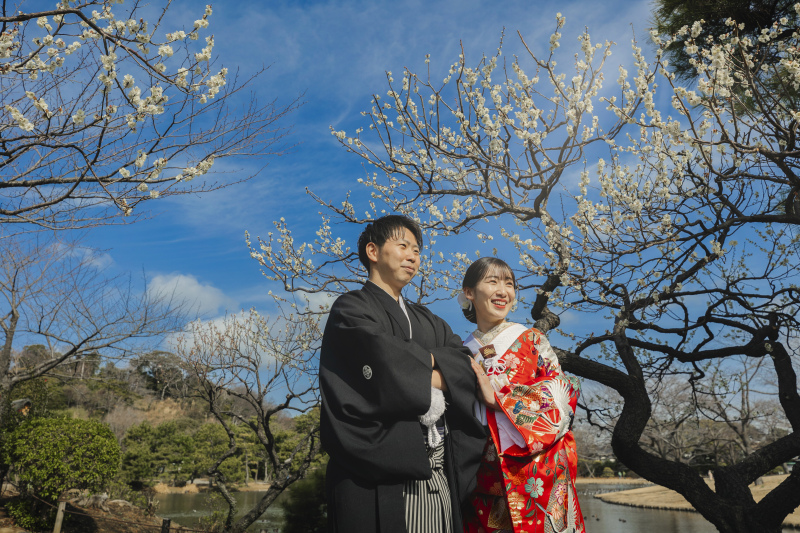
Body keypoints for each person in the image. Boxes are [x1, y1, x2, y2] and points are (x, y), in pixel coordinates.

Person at [320, 215, 486, 533]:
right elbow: (382, 364)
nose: (413, 255)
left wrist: (424, 371)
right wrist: (442, 376)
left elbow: (466, 364)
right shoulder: (350, 309)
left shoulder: (428, 319)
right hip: (371, 476)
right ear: (373, 250)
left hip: (436, 471)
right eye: (403, 245)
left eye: (417, 250)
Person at [460, 257, 585, 533]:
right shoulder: (461, 350)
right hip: (479, 475)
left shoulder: (531, 339)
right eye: (492, 281)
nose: (503, 291)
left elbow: (562, 393)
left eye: (509, 284)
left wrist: (501, 401)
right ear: (469, 292)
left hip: (535, 471)